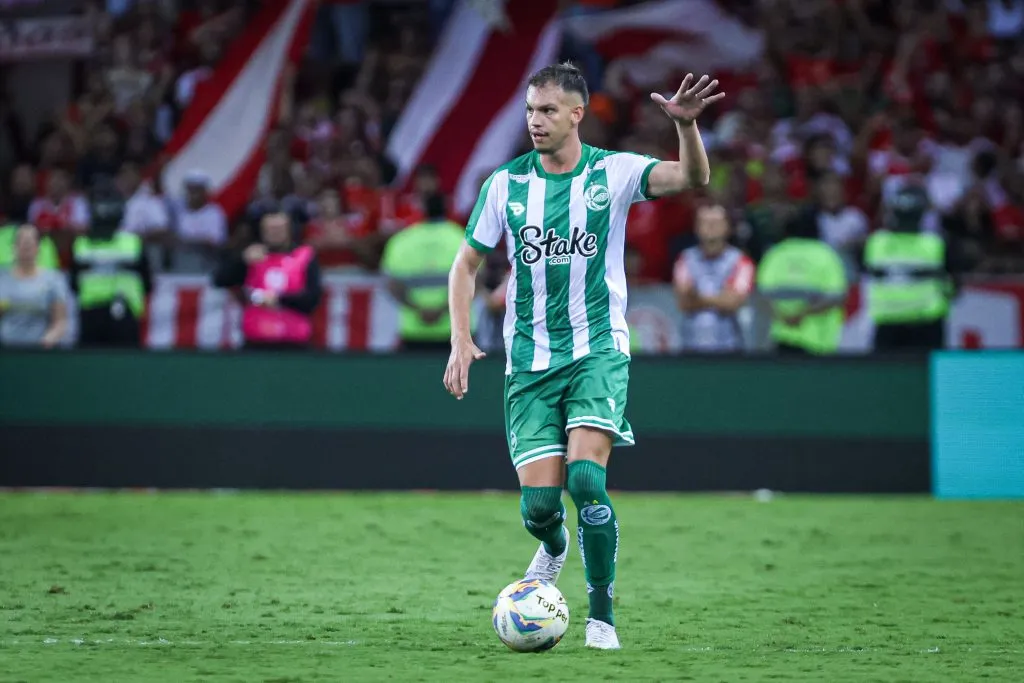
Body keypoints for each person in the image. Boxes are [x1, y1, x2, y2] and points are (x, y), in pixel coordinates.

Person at [443, 62, 723, 649]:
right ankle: (553, 544)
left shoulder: (612, 172)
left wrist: (685, 126)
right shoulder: (505, 185)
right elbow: (465, 265)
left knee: (587, 480)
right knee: (540, 507)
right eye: (530, 109)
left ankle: (601, 619)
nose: (535, 120)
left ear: (576, 114)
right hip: (529, 362)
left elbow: (692, 177)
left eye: (547, 110)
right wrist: (460, 338)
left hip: (597, 350)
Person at [213, 211, 323, 351]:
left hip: (294, 342)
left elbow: (313, 299)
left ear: (289, 230)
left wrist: (279, 300)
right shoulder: (252, 256)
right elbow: (220, 281)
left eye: (279, 229)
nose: (275, 233)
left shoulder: (304, 256)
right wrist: (242, 260)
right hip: (255, 342)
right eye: (270, 229)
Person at [864, 184, 955, 351]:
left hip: (900, 324)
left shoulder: (876, 242)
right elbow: (953, 287)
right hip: (920, 324)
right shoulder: (936, 243)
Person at [69, 184, 152, 348]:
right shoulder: (81, 245)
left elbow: (147, 283)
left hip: (122, 313)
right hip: (95, 315)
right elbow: (148, 284)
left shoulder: (133, 244)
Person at [380, 193, 466, 352]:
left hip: (413, 329)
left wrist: (418, 310)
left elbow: (392, 285)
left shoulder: (402, 240)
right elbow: (475, 282)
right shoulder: (462, 239)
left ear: (422, 211)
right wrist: (442, 310)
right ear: (447, 209)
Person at [756, 214, 848, 356]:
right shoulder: (826, 254)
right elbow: (836, 297)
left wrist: (782, 316)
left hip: (783, 338)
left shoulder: (776, 254)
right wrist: (803, 314)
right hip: (819, 342)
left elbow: (762, 295)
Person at [672, 203, 755, 352]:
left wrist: (698, 298)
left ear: (728, 227)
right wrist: (720, 298)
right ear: (696, 227)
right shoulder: (685, 259)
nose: (710, 227)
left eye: (716, 222)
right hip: (690, 347)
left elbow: (732, 303)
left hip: (730, 347)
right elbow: (684, 302)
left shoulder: (741, 261)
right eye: (705, 222)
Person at [0, 224, 68, 349]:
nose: (26, 247)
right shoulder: (2, 279)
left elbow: (60, 321)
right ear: (14, 247)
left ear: (38, 247)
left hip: (40, 350)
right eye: (22, 243)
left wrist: (49, 339)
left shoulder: (53, 280)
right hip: (5, 350)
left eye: (30, 244)